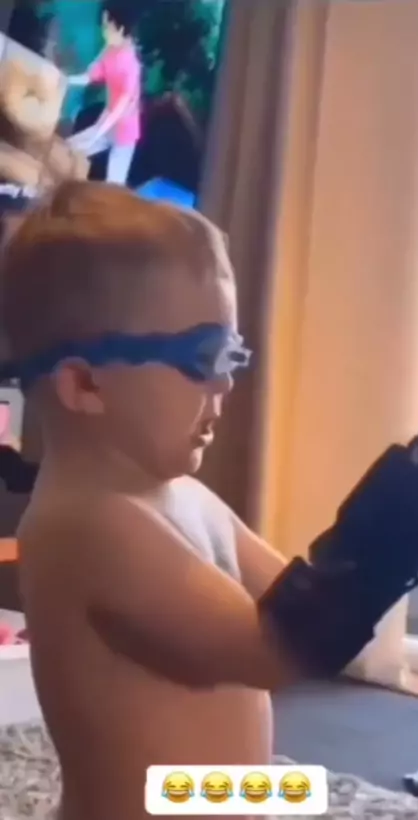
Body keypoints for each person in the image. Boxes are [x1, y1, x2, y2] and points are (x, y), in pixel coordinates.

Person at [0, 180, 302, 820]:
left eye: (232, 355)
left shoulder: (187, 498)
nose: (226, 382)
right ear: (85, 384)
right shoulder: (87, 525)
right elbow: (273, 652)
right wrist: (379, 553)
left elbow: (300, 603)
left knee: (302, 792)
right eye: (202, 356)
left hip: (211, 803)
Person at [67, 3, 141, 185]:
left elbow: (120, 109)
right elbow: (90, 75)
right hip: (106, 122)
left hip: (123, 133)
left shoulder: (131, 65)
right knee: (68, 148)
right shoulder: (109, 50)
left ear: (120, 29)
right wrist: (65, 80)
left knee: (113, 184)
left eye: (107, 26)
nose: (103, 31)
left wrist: (97, 134)